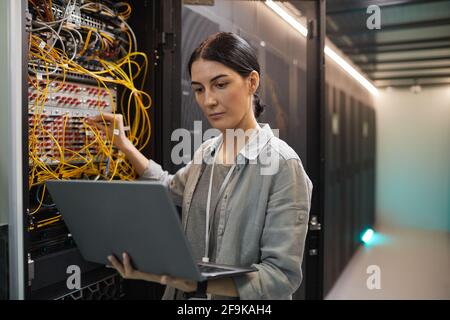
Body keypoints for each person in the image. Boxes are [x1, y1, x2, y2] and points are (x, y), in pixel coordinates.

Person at [86, 32, 312, 300]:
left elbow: (280, 277)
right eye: (199, 89)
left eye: (220, 84)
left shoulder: (283, 165)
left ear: (252, 82)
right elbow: (170, 187)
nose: (208, 101)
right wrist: (125, 146)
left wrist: (198, 284)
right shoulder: (208, 152)